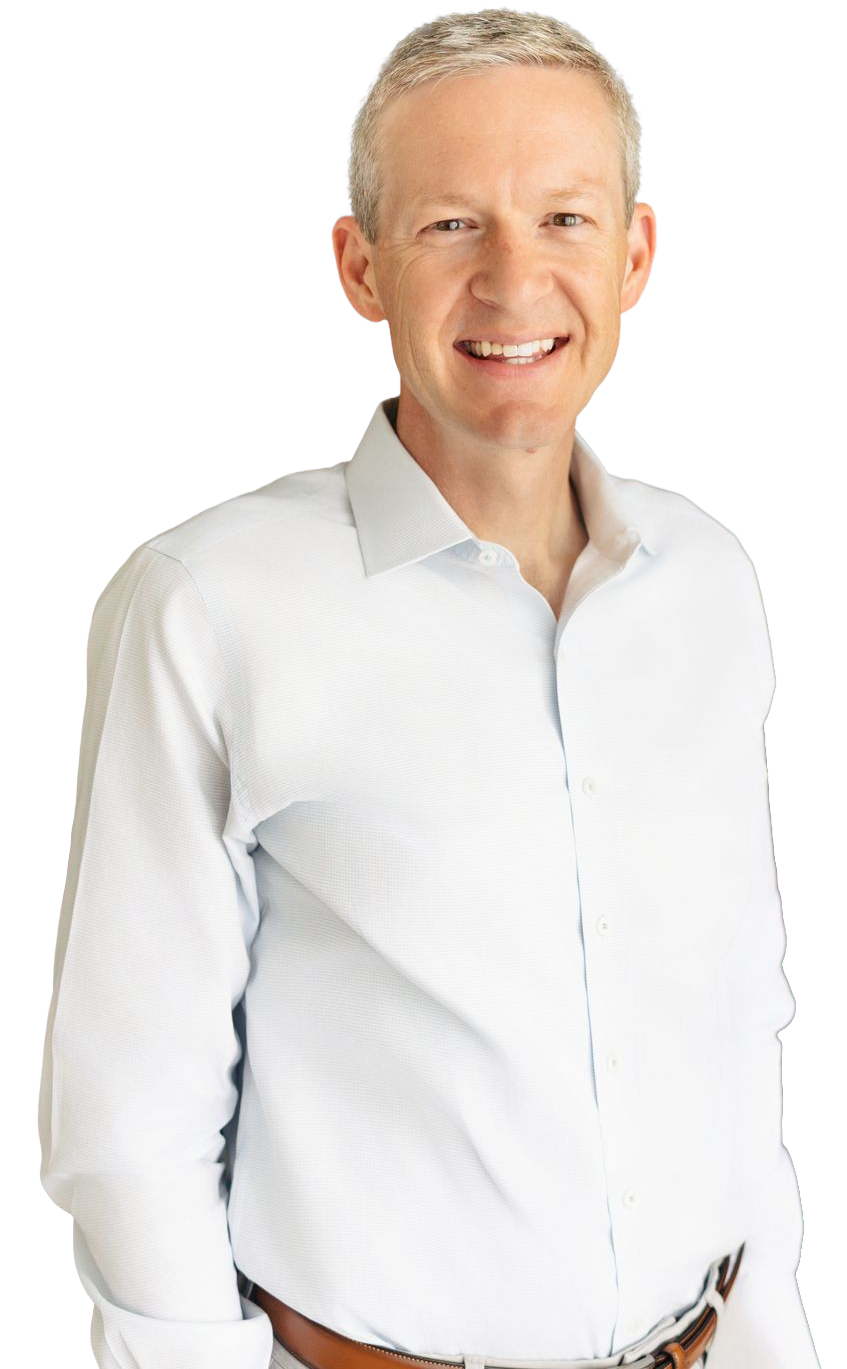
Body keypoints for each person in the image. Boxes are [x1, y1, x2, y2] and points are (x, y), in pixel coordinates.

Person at [38, 9, 819, 1369]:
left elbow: (724, 1005)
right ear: (360, 267)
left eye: (566, 221)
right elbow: (128, 1117)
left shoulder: (703, 581)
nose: (515, 285)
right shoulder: (204, 602)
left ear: (638, 251)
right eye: (453, 225)